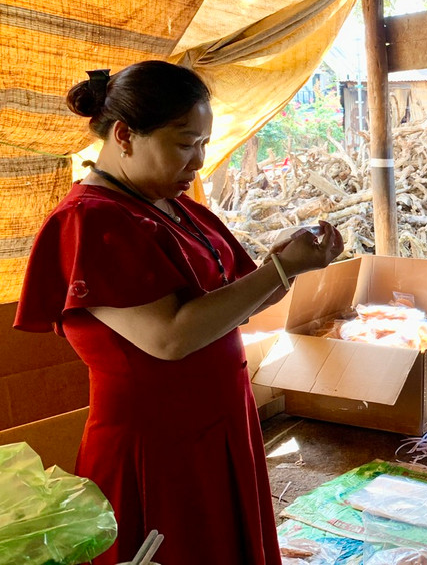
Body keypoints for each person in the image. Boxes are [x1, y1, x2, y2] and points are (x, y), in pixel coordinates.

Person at [14, 61, 343, 565]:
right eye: (186, 143)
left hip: (219, 426)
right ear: (124, 135)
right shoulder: (92, 221)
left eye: (205, 144)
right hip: (158, 446)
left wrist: (286, 267)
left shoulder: (172, 205)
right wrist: (277, 273)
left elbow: (234, 305)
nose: (199, 160)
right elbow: (169, 339)